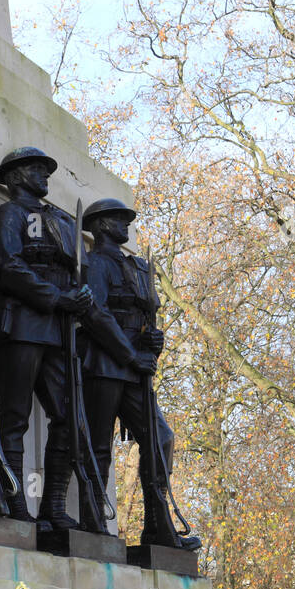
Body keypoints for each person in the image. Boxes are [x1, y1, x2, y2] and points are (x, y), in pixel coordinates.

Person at [0, 147, 97, 528]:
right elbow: (9, 265)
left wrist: (81, 295)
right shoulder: (10, 214)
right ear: (15, 177)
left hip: (59, 330)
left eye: (45, 170)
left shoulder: (62, 222)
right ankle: (12, 499)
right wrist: (56, 297)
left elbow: (80, 269)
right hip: (22, 324)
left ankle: (52, 506)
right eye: (35, 169)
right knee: (14, 416)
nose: (44, 175)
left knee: (68, 417)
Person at [82, 199, 201, 551]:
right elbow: (97, 314)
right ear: (101, 226)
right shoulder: (96, 263)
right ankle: (92, 522)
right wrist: (132, 354)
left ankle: (158, 526)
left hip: (135, 370)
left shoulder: (136, 267)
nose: (126, 224)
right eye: (118, 219)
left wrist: (154, 342)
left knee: (161, 438)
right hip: (105, 364)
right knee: (98, 446)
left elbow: (145, 319)